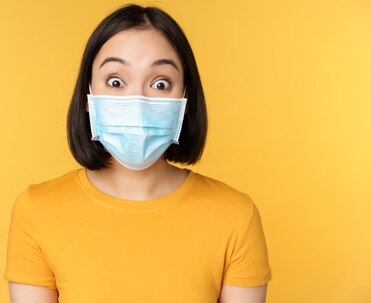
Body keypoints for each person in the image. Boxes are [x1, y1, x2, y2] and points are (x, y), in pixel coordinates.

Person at [4, 4, 271, 303]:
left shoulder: (235, 215)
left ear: (184, 100)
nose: (137, 101)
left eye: (160, 83)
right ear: (88, 97)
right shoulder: (37, 210)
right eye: (116, 82)